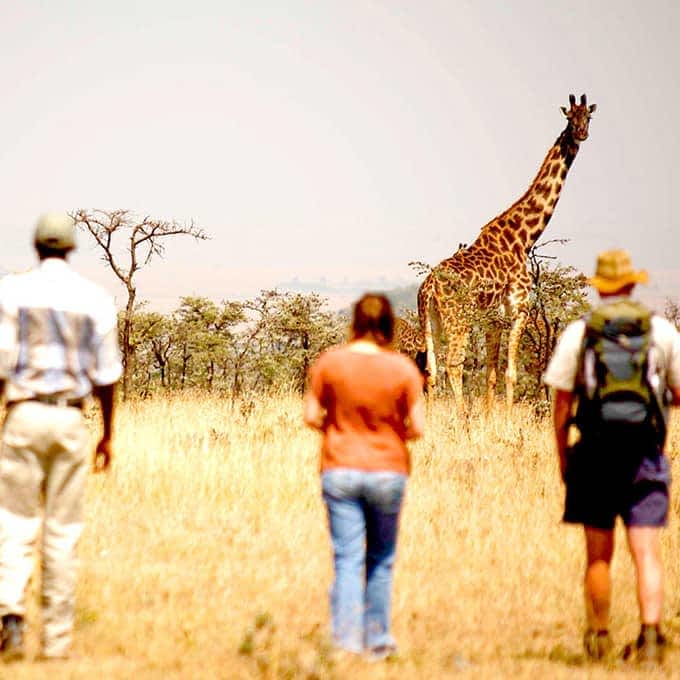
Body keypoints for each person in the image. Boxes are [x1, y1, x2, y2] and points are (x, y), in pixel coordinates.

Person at [544, 249, 680, 666]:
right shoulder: (662, 332)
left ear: (599, 287)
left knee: (598, 555)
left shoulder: (578, 333)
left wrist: (564, 454)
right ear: (633, 284)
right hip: (644, 454)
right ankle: (652, 638)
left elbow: (562, 401)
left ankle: (598, 638)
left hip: (594, 454)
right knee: (646, 552)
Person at [0, 213, 122, 662]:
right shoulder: (93, 298)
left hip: (23, 412)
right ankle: (56, 640)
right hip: (71, 418)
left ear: (35, 246)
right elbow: (107, 374)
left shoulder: (11, 290)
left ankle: (11, 618)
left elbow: (0, 361)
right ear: (71, 247)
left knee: (14, 521)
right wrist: (107, 434)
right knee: (62, 529)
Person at [303, 293, 424, 660]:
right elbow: (417, 427)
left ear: (354, 322)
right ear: (389, 324)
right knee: (381, 560)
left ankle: (345, 642)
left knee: (347, 559)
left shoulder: (329, 362)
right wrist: (389, 435)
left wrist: (338, 428)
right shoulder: (404, 369)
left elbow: (310, 415)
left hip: (339, 468)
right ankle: (377, 640)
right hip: (388, 472)